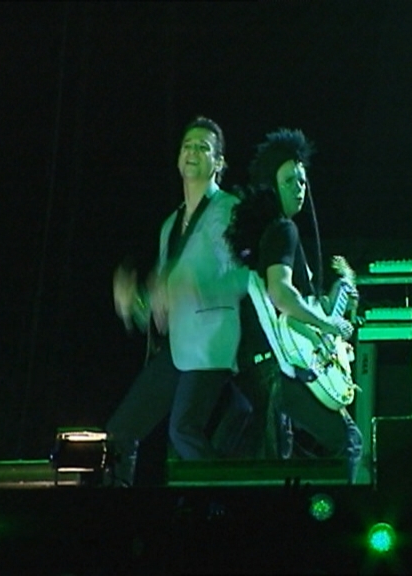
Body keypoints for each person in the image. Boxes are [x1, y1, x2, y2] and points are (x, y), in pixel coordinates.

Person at [107, 116, 249, 486]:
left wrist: (199, 287)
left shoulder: (229, 209)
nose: (192, 152)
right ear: (177, 158)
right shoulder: (170, 225)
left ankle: (222, 503)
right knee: (121, 432)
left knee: (183, 430)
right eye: (187, 146)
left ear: (219, 163)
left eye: (203, 147)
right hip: (179, 346)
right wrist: (134, 304)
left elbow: (245, 278)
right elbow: (162, 310)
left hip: (212, 342)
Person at [223, 127, 363, 483]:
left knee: (278, 465)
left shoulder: (267, 233)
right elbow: (282, 294)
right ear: (270, 185)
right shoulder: (283, 230)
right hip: (278, 370)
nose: (299, 188)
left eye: (302, 181)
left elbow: (296, 302)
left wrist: (335, 300)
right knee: (348, 440)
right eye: (289, 181)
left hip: (258, 367)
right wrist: (330, 325)